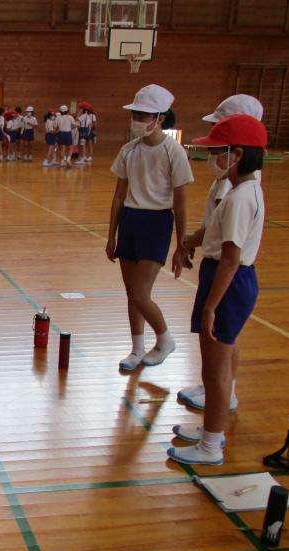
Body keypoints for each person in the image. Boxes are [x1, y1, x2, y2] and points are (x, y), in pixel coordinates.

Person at [168, 115, 267, 465]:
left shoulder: (240, 198)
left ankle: (210, 446)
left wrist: (211, 306)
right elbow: (214, 236)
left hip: (228, 282)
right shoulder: (240, 191)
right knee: (213, 367)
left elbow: (230, 258)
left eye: (217, 152)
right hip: (224, 278)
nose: (212, 158)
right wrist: (188, 243)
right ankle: (211, 430)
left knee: (215, 370)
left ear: (237, 155)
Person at [106, 84, 194, 371]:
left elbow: (180, 202)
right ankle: (137, 349)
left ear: (160, 118)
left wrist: (181, 245)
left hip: (157, 222)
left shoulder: (174, 152)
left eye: (143, 115)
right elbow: (118, 196)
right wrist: (111, 235)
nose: (137, 120)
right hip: (130, 220)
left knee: (140, 293)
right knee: (131, 292)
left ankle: (165, 339)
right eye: (135, 114)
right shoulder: (129, 150)